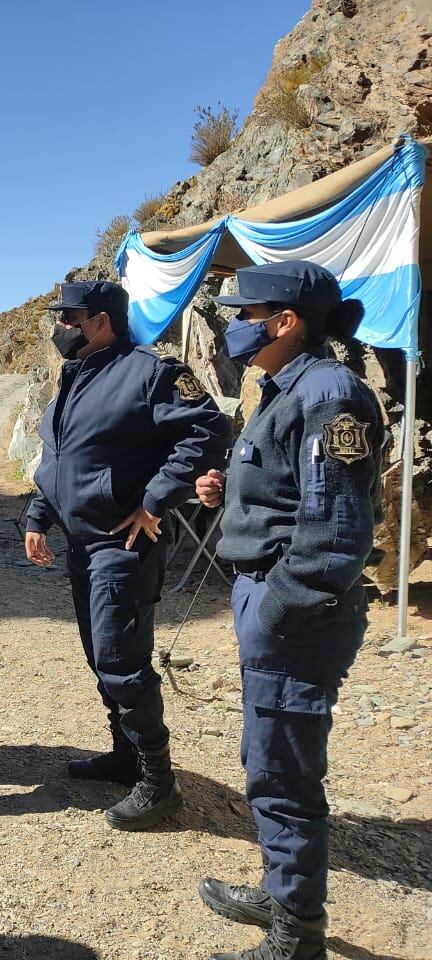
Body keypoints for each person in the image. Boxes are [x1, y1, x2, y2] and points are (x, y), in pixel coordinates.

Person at [195, 261, 381, 960]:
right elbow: (289, 495)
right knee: (267, 756)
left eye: (246, 315)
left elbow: (335, 534)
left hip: (295, 608)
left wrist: (272, 613)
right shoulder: (283, 387)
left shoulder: (329, 395)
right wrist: (227, 495)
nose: (236, 326)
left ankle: (297, 933)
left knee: (284, 771)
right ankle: (283, 890)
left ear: (286, 322)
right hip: (272, 596)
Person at [24, 280, 230, 830]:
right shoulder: (73, 377)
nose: (59, 327)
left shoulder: (150, 372)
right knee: (100, 656)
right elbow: (59, 459)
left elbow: (209, 429)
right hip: (81, 545)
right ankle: (125, 756)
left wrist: (155, 501)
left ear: (101, 321)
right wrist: (39, 517)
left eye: (69, 317)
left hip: (125, 544)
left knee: (122, 659)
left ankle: (159, 782)